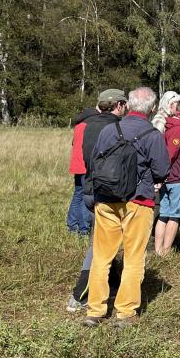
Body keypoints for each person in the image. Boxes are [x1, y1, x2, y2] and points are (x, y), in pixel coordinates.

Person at [83, 87, 169, 328]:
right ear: (152, 109)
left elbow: (94, 161)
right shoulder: (152, 134)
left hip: (106, 198)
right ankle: (125, 312)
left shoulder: (109, 129)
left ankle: (95, 310)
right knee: (133, 258)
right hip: (138, 201)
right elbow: (162, 169)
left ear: (128, 105)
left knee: (101, 257)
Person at [66, 89, 128, 312]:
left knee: (105, 240)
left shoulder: (89, 125)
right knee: (100, 245)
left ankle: (113, 283)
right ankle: (80, 294)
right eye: (124, 105)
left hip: (92, 188)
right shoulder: (113, 127)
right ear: (118, 106)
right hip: (107, 191)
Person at [154, 100, 180, 255]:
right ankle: (164, 251)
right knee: (174, 216)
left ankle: (159, 251)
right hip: (177, 179)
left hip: (168, 178)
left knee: (164, 214)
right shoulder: (177, 130)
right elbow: (170, 154)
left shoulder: (170, 127)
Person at [67, 101, 99, 236]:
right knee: (85, 196)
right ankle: (84, 228)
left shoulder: (79, 125)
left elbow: (74, 143)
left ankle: (72, 225)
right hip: (85, 165)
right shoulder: (90, 126)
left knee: (77, 194)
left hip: (76, 164)